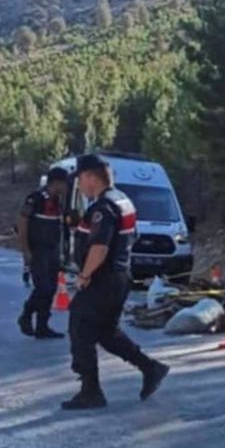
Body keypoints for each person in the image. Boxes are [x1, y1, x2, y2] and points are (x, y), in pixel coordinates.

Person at [61, 154, 169, 410]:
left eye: (81, 180)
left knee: (80, 327)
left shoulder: (103, 207)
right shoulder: (122, 200)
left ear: (91, 177)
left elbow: (100, 246)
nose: (81, 186)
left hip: (103, 278)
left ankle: (91, 391)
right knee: (106, 332)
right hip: (119, 277)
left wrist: (84, 275)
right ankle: (150, 368)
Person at [16, 166, 70, 339]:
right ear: (57, 182)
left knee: (51, 288)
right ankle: (26, 316)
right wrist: (25, 249)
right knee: (43, 287)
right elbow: (22, 222)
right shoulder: (36, 199)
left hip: (52, 251)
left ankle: (42, 326)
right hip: (37, 250)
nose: (67, 187)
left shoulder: (57, 202)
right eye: (65, 184)